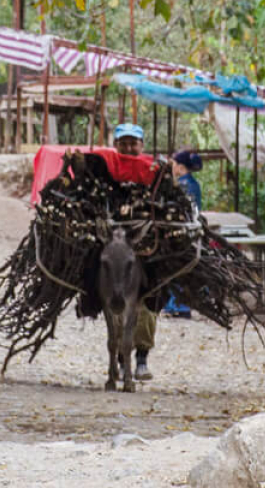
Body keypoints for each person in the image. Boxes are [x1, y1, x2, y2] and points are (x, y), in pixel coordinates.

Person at [112, 122, 157, 381]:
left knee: (147, 308)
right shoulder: (106, 171)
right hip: (115, 253)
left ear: (142, 145)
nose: (129, 147)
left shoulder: (153, 172)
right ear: (116, 145)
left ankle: (141, 360)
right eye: (124, 143)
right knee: (117, 308)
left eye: (133, 143)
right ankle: (120, 360)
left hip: (147, 251)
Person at [165, 150, 204, 319]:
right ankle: (179, 305)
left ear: (180, 167)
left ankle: (177, 306)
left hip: (180, 231)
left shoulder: (181, 185)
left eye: (173, 165)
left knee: (174, 267)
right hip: (191, 231)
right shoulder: (193, 184)